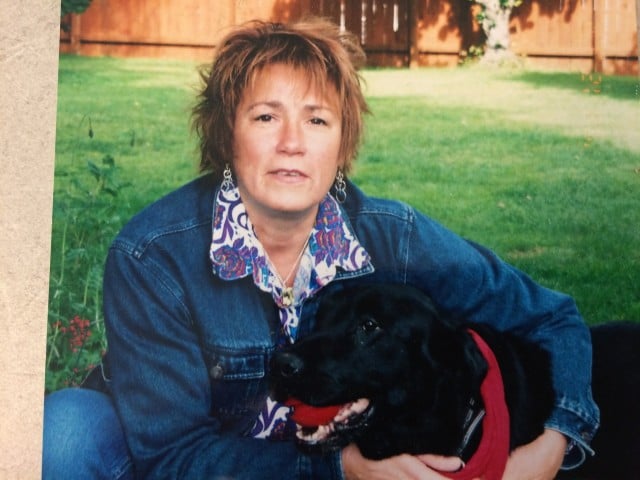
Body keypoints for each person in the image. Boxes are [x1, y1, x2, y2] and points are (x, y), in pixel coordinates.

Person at [43, 18, 599, 479]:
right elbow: (172, 455)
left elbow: (552, 318)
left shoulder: (394, 237)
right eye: (266, 117)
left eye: (317, 119)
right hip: (212, 464)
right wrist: (342, 470)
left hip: (339, 443)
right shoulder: (154, 257)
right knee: (65, 433)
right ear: (225, 135)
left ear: (342, 141)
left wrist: (554, 443)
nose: (292, 142)